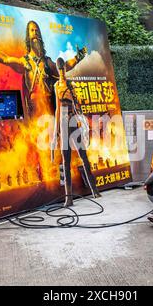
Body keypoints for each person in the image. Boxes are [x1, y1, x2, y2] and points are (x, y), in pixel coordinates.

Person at [51, 57, 101, 207]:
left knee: (83, 155)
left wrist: (81, 122)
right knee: (66, 161)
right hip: (63, 122)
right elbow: (57, 108)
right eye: (59, 68)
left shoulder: (70, 84)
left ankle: (94, 189)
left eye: (63, 68)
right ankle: (69, 197)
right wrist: (56, 132)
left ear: (65, 68)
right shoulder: (56, 86)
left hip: (73, 119)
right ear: (57, 69)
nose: (61, 71)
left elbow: (77, 104)